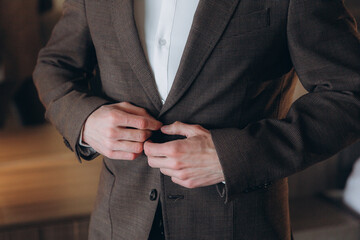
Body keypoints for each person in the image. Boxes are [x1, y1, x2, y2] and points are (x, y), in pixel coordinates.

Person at [33, 0, 360, 239]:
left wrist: (234, 156)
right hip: (118, 225)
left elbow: (350, 94)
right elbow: (54, 67)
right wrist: (86, 121)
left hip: (239, 227)